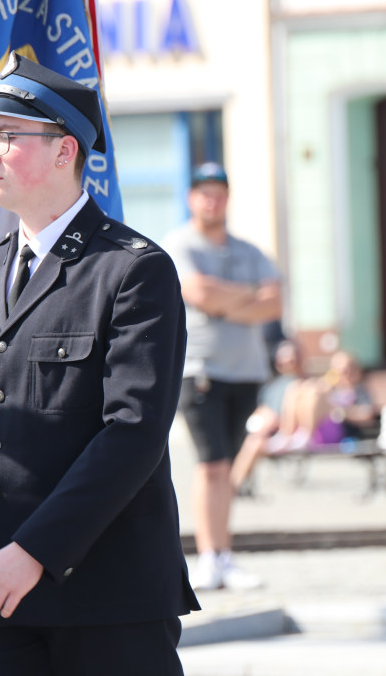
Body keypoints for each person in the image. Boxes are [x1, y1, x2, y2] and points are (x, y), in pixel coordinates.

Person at [0, 53, 198, 676]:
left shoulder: (132, 269)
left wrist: (32, 551)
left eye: (7, 137)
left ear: (65, 151)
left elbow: (132, 433)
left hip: (104, 598)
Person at [162, 162, 282, 592]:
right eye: (203, 192)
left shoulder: (249, 250)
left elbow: (274, 303)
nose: (211, 200)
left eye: (218, 192)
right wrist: (246, 299)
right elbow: (197, 292)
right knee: (211, 465)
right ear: (191, 197)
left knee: (229, 467)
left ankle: (224, 553)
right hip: (202, 370)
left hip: (246, 370)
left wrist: (225, 301)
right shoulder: (181, 244)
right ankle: (209, 555)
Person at [229, 339, 306, 491]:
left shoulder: (302, 384)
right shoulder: (272, 384)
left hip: (284, 432)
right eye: (281, 358)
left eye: (289, 358)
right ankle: (233, 484)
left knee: (254, 443)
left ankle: (233, 486)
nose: (285, 362)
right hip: (263, 428)